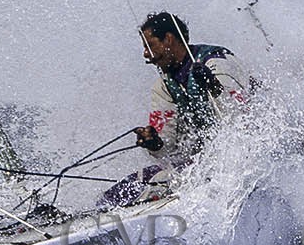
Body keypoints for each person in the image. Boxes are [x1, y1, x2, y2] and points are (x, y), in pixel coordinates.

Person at [100, 11, 257, 207]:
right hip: (207, 165)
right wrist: (155, 143)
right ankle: (94, 214)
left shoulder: (218, 61)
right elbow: (168, 148)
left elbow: (242, 118)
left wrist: (214, 87)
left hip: (249, 161)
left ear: (169, 39)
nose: (146, 54)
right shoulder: (164, 87)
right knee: (133, 185)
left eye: (150, 46)